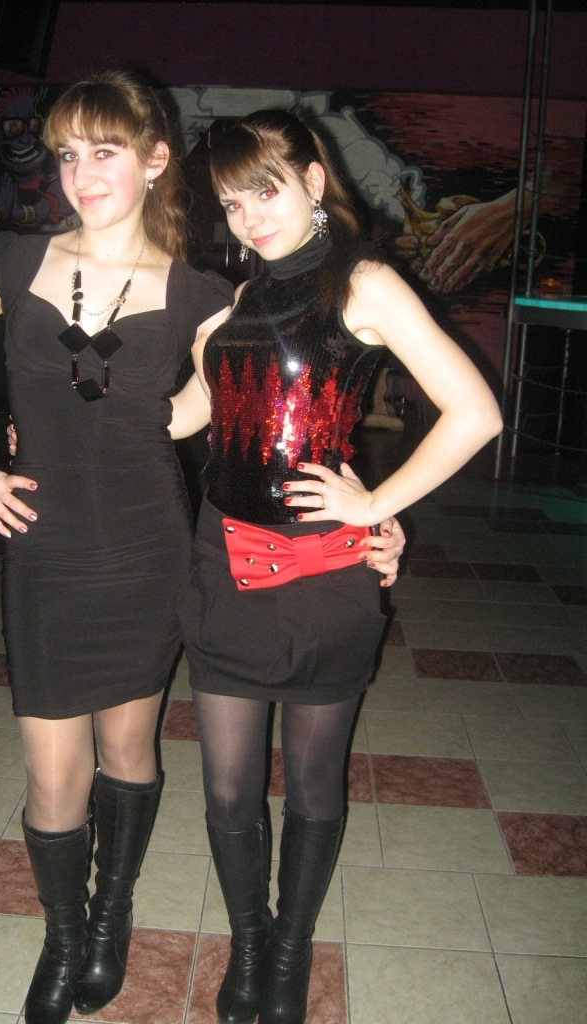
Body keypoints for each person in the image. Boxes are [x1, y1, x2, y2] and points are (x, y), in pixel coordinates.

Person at [0, 70, 404, 1024]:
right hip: (46, 553)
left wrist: (369, 512)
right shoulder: (12, 261)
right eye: (67, 154)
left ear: (155, 159)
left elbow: (266, 411)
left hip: (150, 547)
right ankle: (63, 936)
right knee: (52, 773)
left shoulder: (205, 293)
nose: (82, 173)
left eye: (106, 151)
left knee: (129, 751)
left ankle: (111, 916)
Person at [171, 109, 503, 1024]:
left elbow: (475, 413)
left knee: (315, 786)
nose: (249, 216)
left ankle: (290, 950)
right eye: (232, 202)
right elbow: (188, 414)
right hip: (225, 561)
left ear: (314, 181)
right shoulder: (235, 304)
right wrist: (69, 411)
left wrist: (375, 504)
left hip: (325, 574)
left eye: (265, 190)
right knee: (229, 787)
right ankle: (249, 943)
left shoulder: (363, 282)